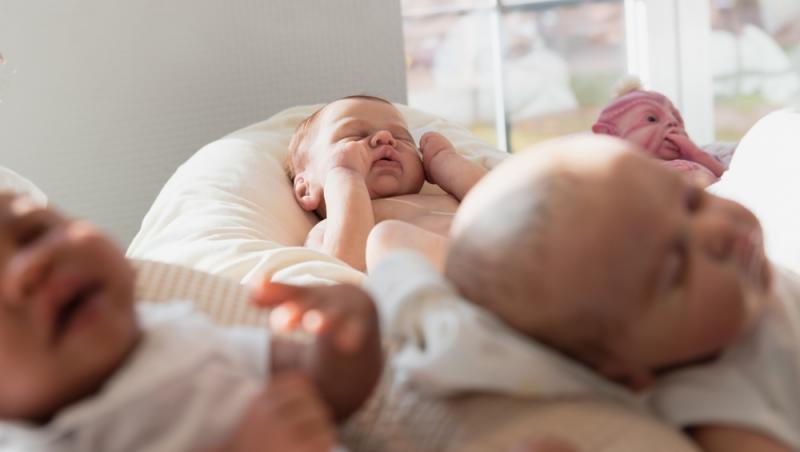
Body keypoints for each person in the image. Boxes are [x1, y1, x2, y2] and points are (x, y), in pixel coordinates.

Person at [367, 135, 798, 452]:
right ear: (626, 373)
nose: (719, 230)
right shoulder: (717, 400)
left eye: (692, 200)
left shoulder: (739, 291)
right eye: (677, 269)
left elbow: (392, 242)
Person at [0, 192, 382, 451]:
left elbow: (323, 389)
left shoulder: (176, 333)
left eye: (34, 233)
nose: (30, 266)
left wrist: (343, 339)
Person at [286, 95, 488, 272]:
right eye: (354, 136)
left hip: (498, 254)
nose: (385, 137)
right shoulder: (329, 230)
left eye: (402, 138)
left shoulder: (448, 196)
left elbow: (496, 197)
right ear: (306, 189)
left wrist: (446, 162)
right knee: (385, 238)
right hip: (467, 277)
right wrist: (346, 174)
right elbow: (345, 266)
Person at [592, 79, 726, 186]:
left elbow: (729, 177)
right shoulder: (622, 175)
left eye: (676, 118)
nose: (672, 123)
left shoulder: (700, 158)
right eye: (652, 119)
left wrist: (697, 154)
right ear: (609, 136)